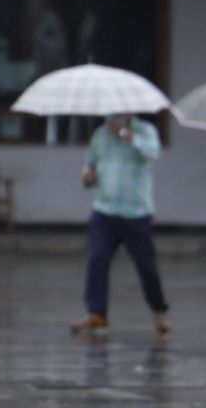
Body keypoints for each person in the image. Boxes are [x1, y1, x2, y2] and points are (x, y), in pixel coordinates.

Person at [70, 113, 171, 335]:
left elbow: (152, 152)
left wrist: (126, 134)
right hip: (104, 210)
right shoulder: (100, 134)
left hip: (136, 212)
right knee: (97, 259)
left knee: (146, 267)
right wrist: (88, 175)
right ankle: (96, 312)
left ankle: (159, 310)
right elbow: (91, 162)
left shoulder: (145, 131)